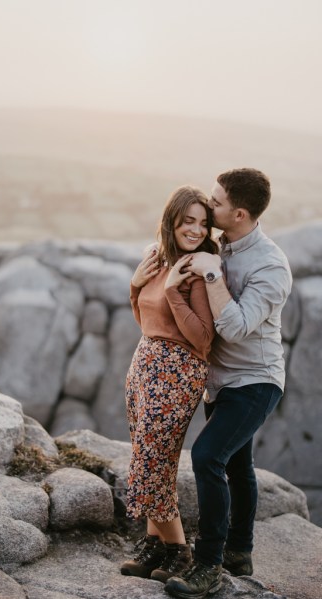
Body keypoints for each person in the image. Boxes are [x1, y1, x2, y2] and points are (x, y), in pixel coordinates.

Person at [165, 168, 293, 599]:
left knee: (206, 456)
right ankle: (240, 551)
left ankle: (208, 565)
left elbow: (236, 328)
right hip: (219, 381)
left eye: (216, 202)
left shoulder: (271, 267)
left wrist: (213, 274)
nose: (210, 203)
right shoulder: (222, 243)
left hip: (255, 381)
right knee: (238, 466)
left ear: (238, 213)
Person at [120, 185, 219, 583]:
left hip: (178, 371)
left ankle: (179, 551)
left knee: (153, 462)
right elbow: (147, 320)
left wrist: (175, 291)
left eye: (203, 222)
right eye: (188, 221)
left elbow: (203, 339)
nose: (196, 229)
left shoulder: (199, 268)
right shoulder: (156, 257)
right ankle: (154, 546)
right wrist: (135, 284)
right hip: (144, 366)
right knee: (148, 457)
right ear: (172, 220)